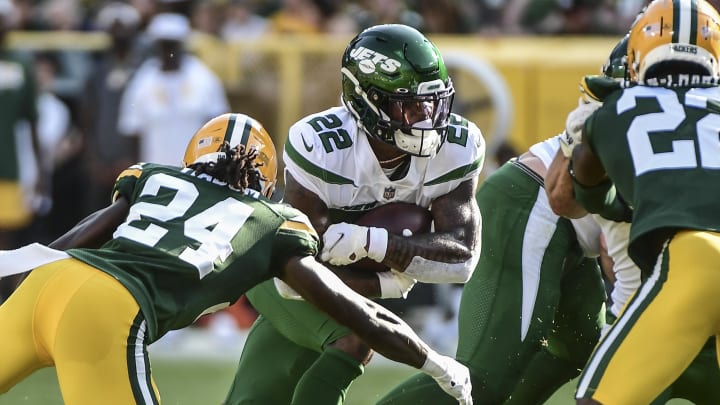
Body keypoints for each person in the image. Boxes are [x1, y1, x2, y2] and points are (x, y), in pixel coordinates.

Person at [0, 113, 473, 405]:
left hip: (51, 280)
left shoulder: (155, 177)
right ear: (265, 179)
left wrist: (17, 269)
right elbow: (353, 312)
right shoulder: (271, 222)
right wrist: (433, 361)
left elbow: (83, 235)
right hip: (106, 309)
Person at [224, 24, 484, 405]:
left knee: (257, 397)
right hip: (276, 271)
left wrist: (376, 243)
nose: (426, 118)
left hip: (338, 279)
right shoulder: (320, 146)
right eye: (409, 105)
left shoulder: (457, 146)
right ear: (366, 100)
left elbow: (461, 258)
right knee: (357, 336)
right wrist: (386, 283)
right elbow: (293, 276)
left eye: (432, 102)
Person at [376, 37, 635, 405]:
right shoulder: (652, 116)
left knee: (578, 346)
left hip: (563, 224)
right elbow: (619, 249)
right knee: (481, 377)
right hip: (532, 204)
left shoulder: (647, 109)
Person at [545, 12, 720, 405]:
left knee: (598, 398)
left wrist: (585, 139)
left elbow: (579, 192)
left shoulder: (617, 107)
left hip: (697, 261)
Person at [117, 12, 230, 165]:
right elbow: (131, 130)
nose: (168, 51)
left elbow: (220, 125)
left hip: (196, 172)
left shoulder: (203, 77)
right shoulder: (142, 81)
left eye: (173, 44)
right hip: (156, 173)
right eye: (164, 45)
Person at [0, 0, 46, 303]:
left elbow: (31, 122)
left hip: (8, 164)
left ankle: (5, 301)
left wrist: (41, 171)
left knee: (7, 237)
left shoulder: (21, 63)